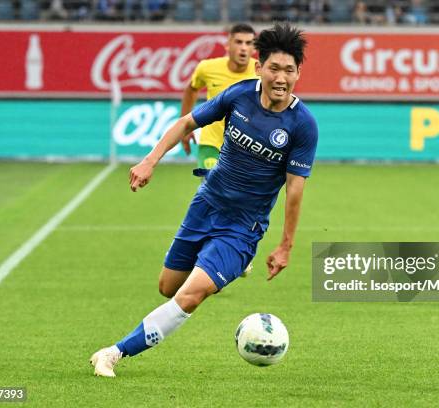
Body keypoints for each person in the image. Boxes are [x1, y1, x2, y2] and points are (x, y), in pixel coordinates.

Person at [90, 22, 318, 377]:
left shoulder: (302, 125)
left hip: (243, 227)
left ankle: (114, 352)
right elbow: (186, 123)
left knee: (191, 296)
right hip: (206, 204)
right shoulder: (238, 95)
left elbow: (295, 188)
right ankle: (229, 267)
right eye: (274, 68)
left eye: (289, 70)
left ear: (299, 73)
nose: (281, 77)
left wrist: (285, 245)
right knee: (168, 287)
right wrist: (150, 160)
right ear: (259, 68)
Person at [180, 23, 258, 170]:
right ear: (228, 45)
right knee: (211, 190)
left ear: (254, 48)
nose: (243, 47)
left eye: (248, 43)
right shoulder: (207, 68)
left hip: (246, 147)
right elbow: (191, 90)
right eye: (238, 42)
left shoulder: (260, 72)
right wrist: (185, 128)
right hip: (211, 143)